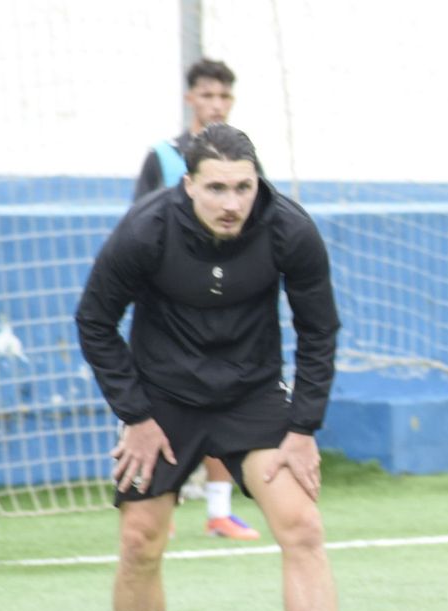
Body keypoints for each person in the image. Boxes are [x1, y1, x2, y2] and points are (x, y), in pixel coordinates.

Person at [77, 124, 398, 611]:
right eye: (217, 188)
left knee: (302, 525)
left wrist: (302, 427)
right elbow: (94, 320)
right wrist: (135, 415)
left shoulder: (290, 229)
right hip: (163, 400)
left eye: (244, 188)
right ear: (188, 186)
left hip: (252, 395)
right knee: (140, 540)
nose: (232, 202)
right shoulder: (146, 230)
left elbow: (319, 330)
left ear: (258, 184)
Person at [135, 57, 260, 542]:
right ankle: (157, 502)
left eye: (224, 96)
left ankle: (219, 511)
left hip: (224, 308)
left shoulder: (242, 161)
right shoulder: (163, 157)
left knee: (223, 400)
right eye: (207, 95)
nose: (216, 104)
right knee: (167, 405)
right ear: (190, 98)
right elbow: (138, 227)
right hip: (168, 313)